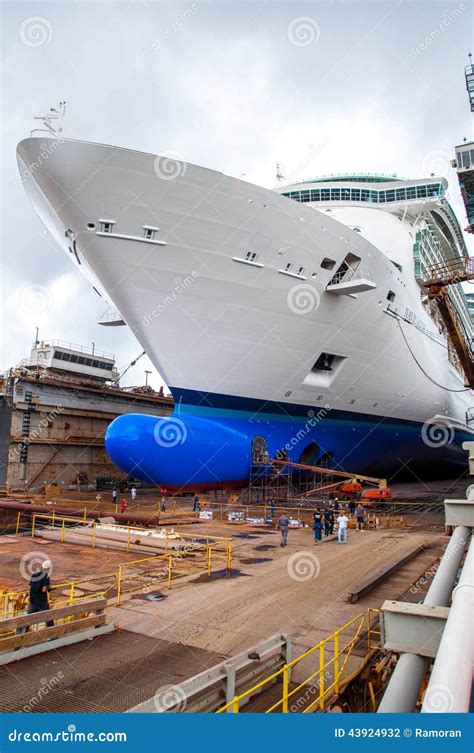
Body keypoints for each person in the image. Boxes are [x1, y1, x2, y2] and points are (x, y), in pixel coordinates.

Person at [19, 561, 54, 633]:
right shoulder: (46, 576)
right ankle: (52, 634)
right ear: (48, 568)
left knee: (29, 619)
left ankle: (23, 634)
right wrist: (49, 587)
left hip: (33, 600)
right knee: (49, 618)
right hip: (41, 601)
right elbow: (44, 590)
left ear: (41, 566)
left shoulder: (34, 575)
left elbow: (30, 586)